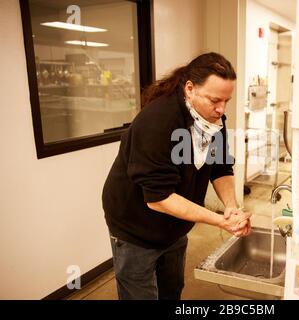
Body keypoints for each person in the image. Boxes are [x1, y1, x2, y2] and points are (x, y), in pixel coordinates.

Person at [102, 52, 252, 300]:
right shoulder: (157, 122)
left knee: (171, 291)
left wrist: (231, 208)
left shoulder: (212, 119)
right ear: (190, 89)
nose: (221, 109)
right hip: (135, 226)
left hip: (174, 226)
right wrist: (219, 221)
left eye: (227, 100)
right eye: (215, 99)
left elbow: (220, 167)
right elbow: (158, 198)